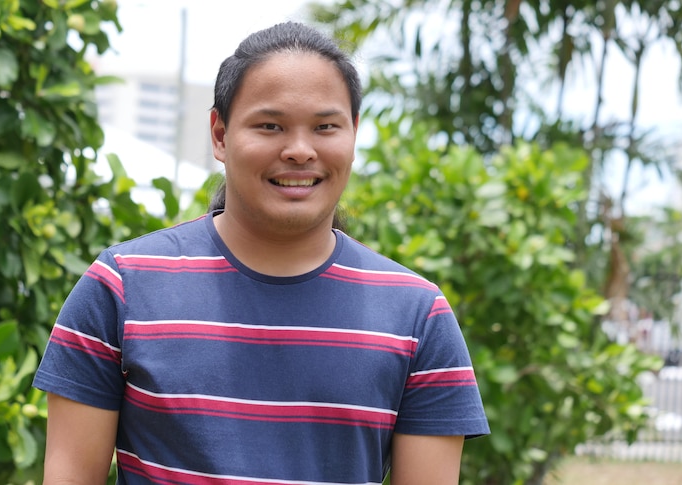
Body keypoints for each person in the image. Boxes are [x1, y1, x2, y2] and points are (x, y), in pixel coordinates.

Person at [33, 21, 489, 485]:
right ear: (220, 134)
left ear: (353, 134)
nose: (299, 150)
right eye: (270, 125)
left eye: (325, 126)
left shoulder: (418, 315)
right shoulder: (120, 287)